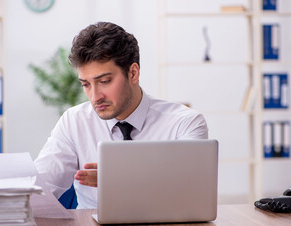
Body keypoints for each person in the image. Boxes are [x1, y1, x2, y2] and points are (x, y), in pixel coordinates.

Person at [34, 22, 208, 209]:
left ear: (133, 73)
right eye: (86, 84)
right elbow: (39, 188)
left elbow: (191, 191)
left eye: (105, 81)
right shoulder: (74, 121)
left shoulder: (185, 123)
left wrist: (123, 177)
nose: (95, 97)